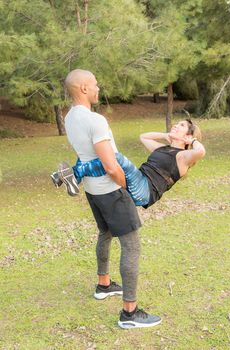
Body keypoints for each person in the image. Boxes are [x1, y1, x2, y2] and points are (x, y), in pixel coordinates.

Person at [60, 68, 161, 329]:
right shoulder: (96, 120)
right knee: (131, 245)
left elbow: (87, 157)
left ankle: (103, 284)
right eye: (94, 84)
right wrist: (129, 188)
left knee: (105, 233)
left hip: (93, 192)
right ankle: (130, 313)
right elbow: (111, 165)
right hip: (110, 191)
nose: (98, 88)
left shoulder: (69, 117)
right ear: (83, 88)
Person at [52, 119, 205, 208]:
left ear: (188, 135)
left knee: (115, 157)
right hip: (137, 180)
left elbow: (200, 152)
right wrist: (166, 135)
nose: (176, 125)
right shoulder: (163, 149)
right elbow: (144, 137)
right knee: (100, 152)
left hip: (144, 190)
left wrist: (193, 141)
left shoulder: (182, 157)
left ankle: (74, 176)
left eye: (182, 126)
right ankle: (69, 179)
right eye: (177, 123)